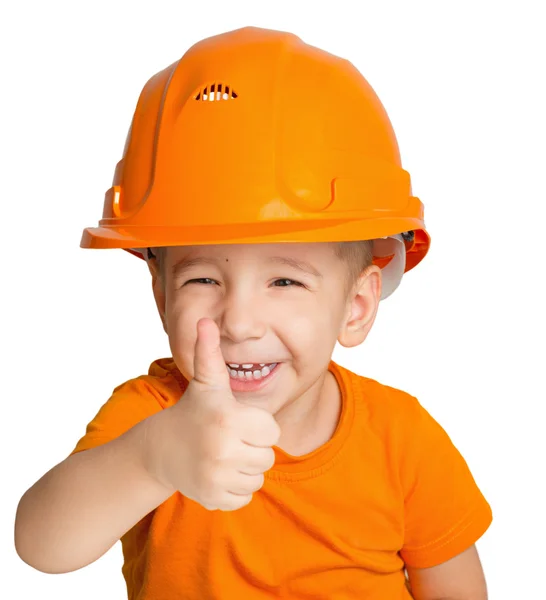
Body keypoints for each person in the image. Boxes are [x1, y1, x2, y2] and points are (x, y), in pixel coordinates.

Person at [14, 26, 492, 599]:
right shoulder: (153, 417)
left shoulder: (403, 440)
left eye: (284, 279)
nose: (239, 322)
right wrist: (153, 459)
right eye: (202, 278)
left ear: (357, 304)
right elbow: (41, 546)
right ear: (159, 292)